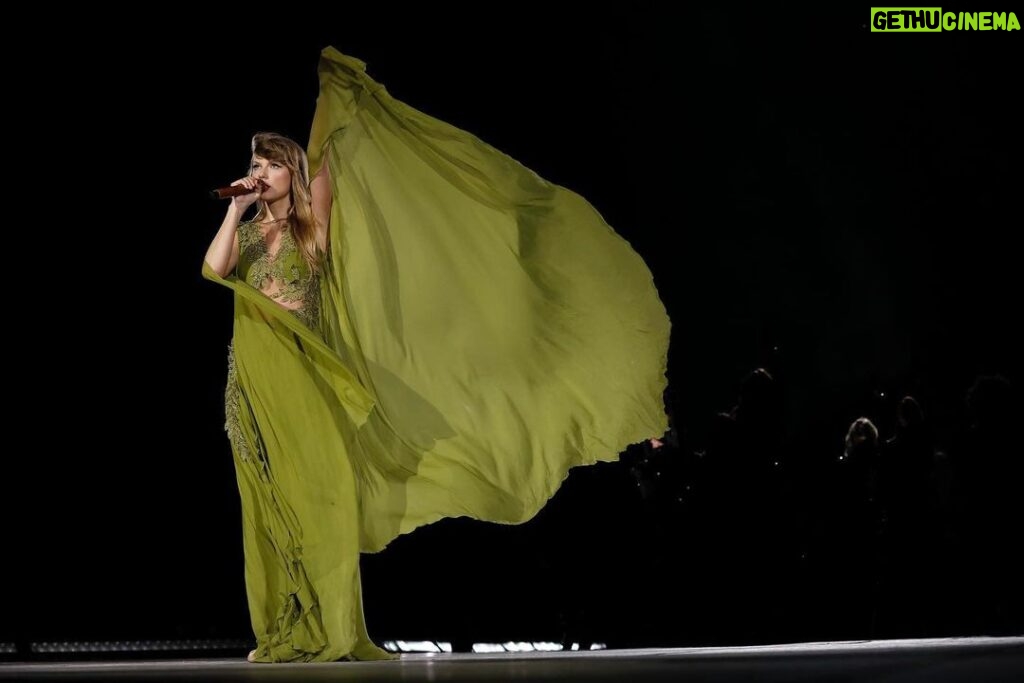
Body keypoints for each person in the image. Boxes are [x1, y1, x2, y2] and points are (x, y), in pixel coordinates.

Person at [202, 46, 672, 663]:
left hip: (306, 369)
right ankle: (280, 629)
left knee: (323, 493)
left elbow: (333, 155)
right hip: (255, 372)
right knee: (265, 497)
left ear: (291, 168)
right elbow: (212, 270)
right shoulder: (248, 230)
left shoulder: (309, 227)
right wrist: (237, 204)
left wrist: (336, 94)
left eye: (269, 162)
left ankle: (334, 627)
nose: (257, 169)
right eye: (252, 161)